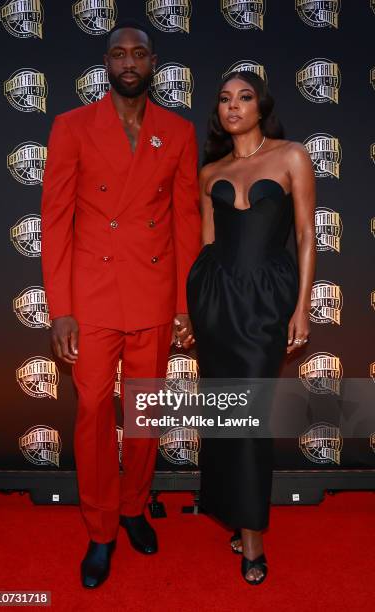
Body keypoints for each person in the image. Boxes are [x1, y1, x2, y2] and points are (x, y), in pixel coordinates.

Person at [41, 20, 200, 588]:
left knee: (145, 411)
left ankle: (133, 506)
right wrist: (60, 307)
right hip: (92, 298)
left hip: (154, 294)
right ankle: (101, 528)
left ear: (153, 62)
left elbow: (186, 221)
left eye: (138, 53)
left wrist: (184, 304)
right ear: (106, 64)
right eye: (118, 54)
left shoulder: (177, 132)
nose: (128, 62)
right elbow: (56, 221)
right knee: (90, 415)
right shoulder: (71, 127)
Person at [186, 71, 316, 585]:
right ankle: (237, 517)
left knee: (251, 417)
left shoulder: (291, 156)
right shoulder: (210, 171)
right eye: (224, 99)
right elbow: (206, 243)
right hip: (216, 299)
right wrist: (193, 310)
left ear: (261, 106)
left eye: (244, 97)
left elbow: (306, 234)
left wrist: (303, 307)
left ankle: (253, 535)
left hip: (266, 301)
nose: (233, 106)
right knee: (223, 416)